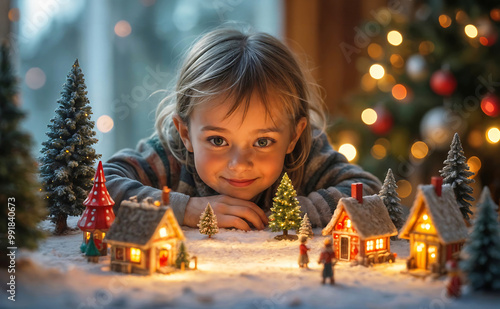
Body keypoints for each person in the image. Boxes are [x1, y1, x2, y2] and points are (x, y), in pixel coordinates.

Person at [103, 27, 381, 230]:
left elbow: (370, 193)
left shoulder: (306, 156)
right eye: (217, 140)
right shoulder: (170, 154)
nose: (239, 164)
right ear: (185, 132)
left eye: (262, 142)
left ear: (294, 136)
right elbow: (103, 186)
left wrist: (294, 212)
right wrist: (185, 209)